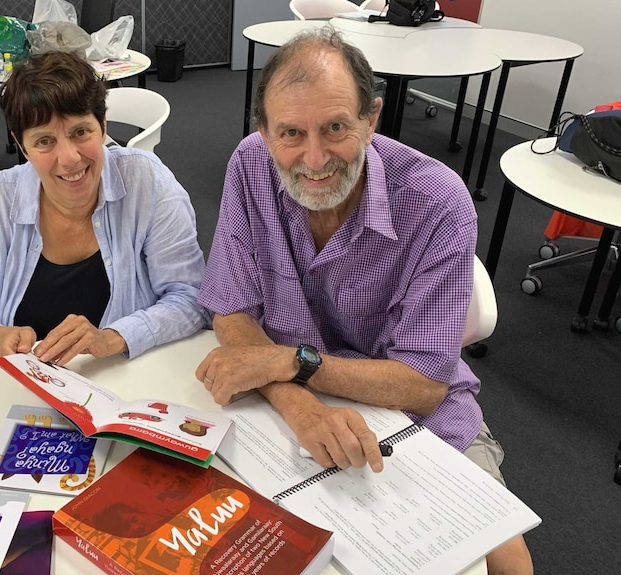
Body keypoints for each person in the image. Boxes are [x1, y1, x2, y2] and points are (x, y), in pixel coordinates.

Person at [195, 28, 532, 574]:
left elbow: (423, 385)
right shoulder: (250, 165)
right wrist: (301, 404)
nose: (314, 157)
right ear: (263, 130)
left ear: (371, 118)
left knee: (507, 561)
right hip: (284, 409)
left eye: (335, 128)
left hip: (417, 417)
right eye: (290, 133)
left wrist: (289, 360)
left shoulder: (436, 202)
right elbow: (232, 307)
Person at [0, 50, 207, 367]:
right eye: (44, 141)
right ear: (21, 144)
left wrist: (114, 336)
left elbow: (190, 298)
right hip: (21, 385)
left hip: (123, 380)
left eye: (80, 132)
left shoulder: (147, 181)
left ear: (103, 125)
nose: (69, 158)